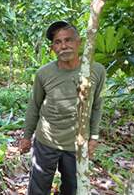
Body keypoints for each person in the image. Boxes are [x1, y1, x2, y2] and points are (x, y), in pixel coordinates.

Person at [18, 21, 106, 195]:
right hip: (46, 141)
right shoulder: (44, 73)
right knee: (38, 189)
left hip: (76, 144)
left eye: (68, 40)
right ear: (52, 48)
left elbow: (97, 106)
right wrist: (27, 137)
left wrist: (94, 137)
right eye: (57, 42)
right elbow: (34, 106)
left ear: (78, 42)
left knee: (73, 188)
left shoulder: (96, 71)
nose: (63, 46)